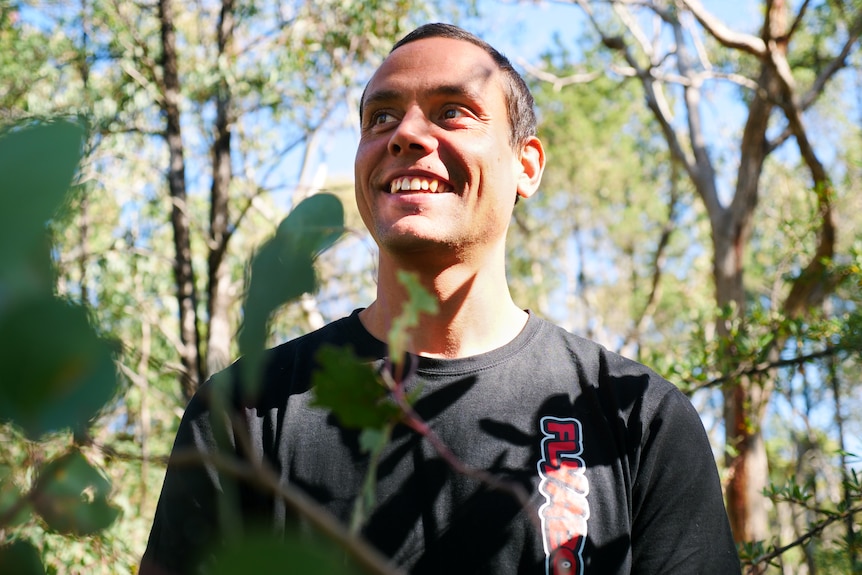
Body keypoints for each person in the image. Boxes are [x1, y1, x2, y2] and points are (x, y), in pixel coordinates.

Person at [141, 23, 741, 575]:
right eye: (381, 117)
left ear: (526, 165)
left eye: (452, 112)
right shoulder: (246, 413)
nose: (405, 135)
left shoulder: (639, 418)